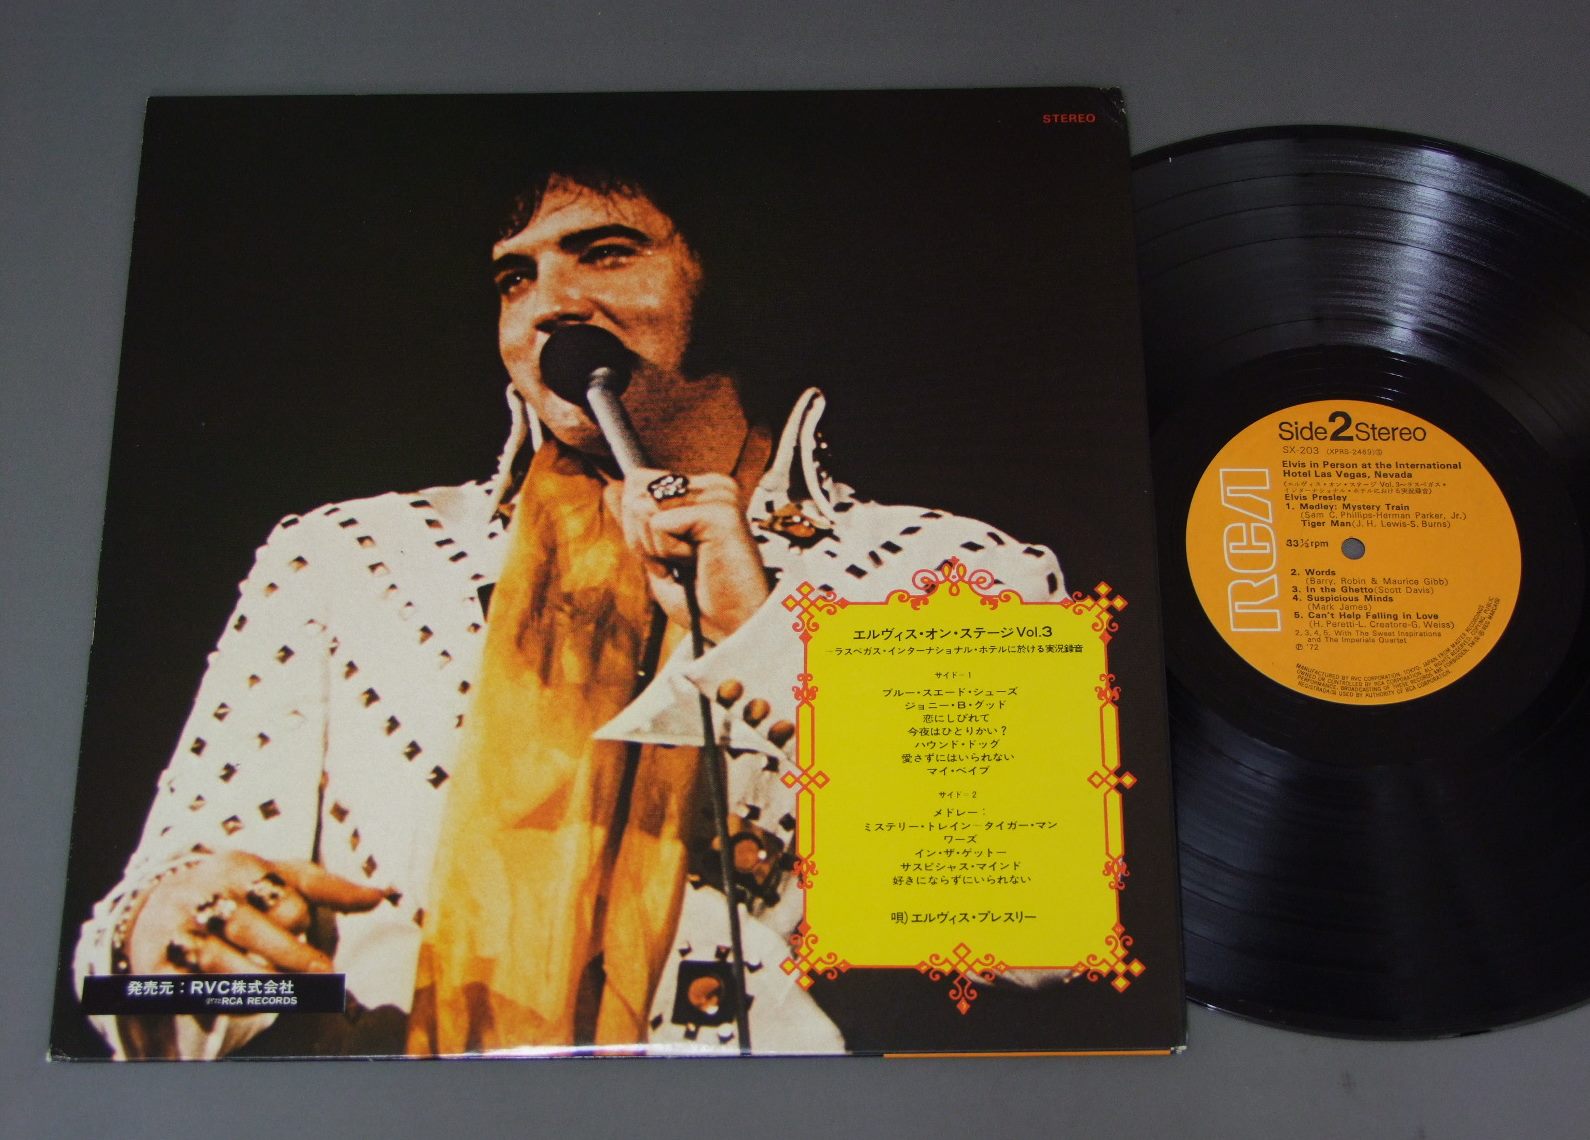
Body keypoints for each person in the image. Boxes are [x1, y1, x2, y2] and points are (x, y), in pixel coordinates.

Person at [75, 161, 1067, 1058]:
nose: (550, 304)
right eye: (516, 277)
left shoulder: (952, 571)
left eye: (606, 252)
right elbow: (139, 986)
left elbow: (1032, 946)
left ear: (733, 279)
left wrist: (761, 639)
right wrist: (170, 933)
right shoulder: (346, 560)